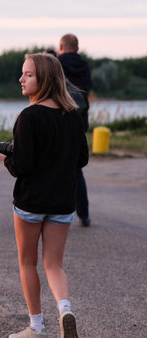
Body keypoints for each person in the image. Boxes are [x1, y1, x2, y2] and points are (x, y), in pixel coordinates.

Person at [0, 53, 88, 338]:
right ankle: (65, 309)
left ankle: (36, 327)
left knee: (27, 263)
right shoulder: (72, 115)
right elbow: (81, 159)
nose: (21, 79)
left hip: (30, 202)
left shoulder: (29, 116)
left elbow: (21, 166)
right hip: (62, 202)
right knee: (54, 264)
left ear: (44, 79)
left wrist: (4, 157)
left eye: (28, 75)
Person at [57, 33, 93, 227]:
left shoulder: (57, 63)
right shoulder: (84, 65)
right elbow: (88, 88)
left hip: (61, 116)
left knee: (56, 166)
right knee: (77, 169)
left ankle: (60, 213)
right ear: (77, 47)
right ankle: (84, 215)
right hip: (80, 118)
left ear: (61, 45)